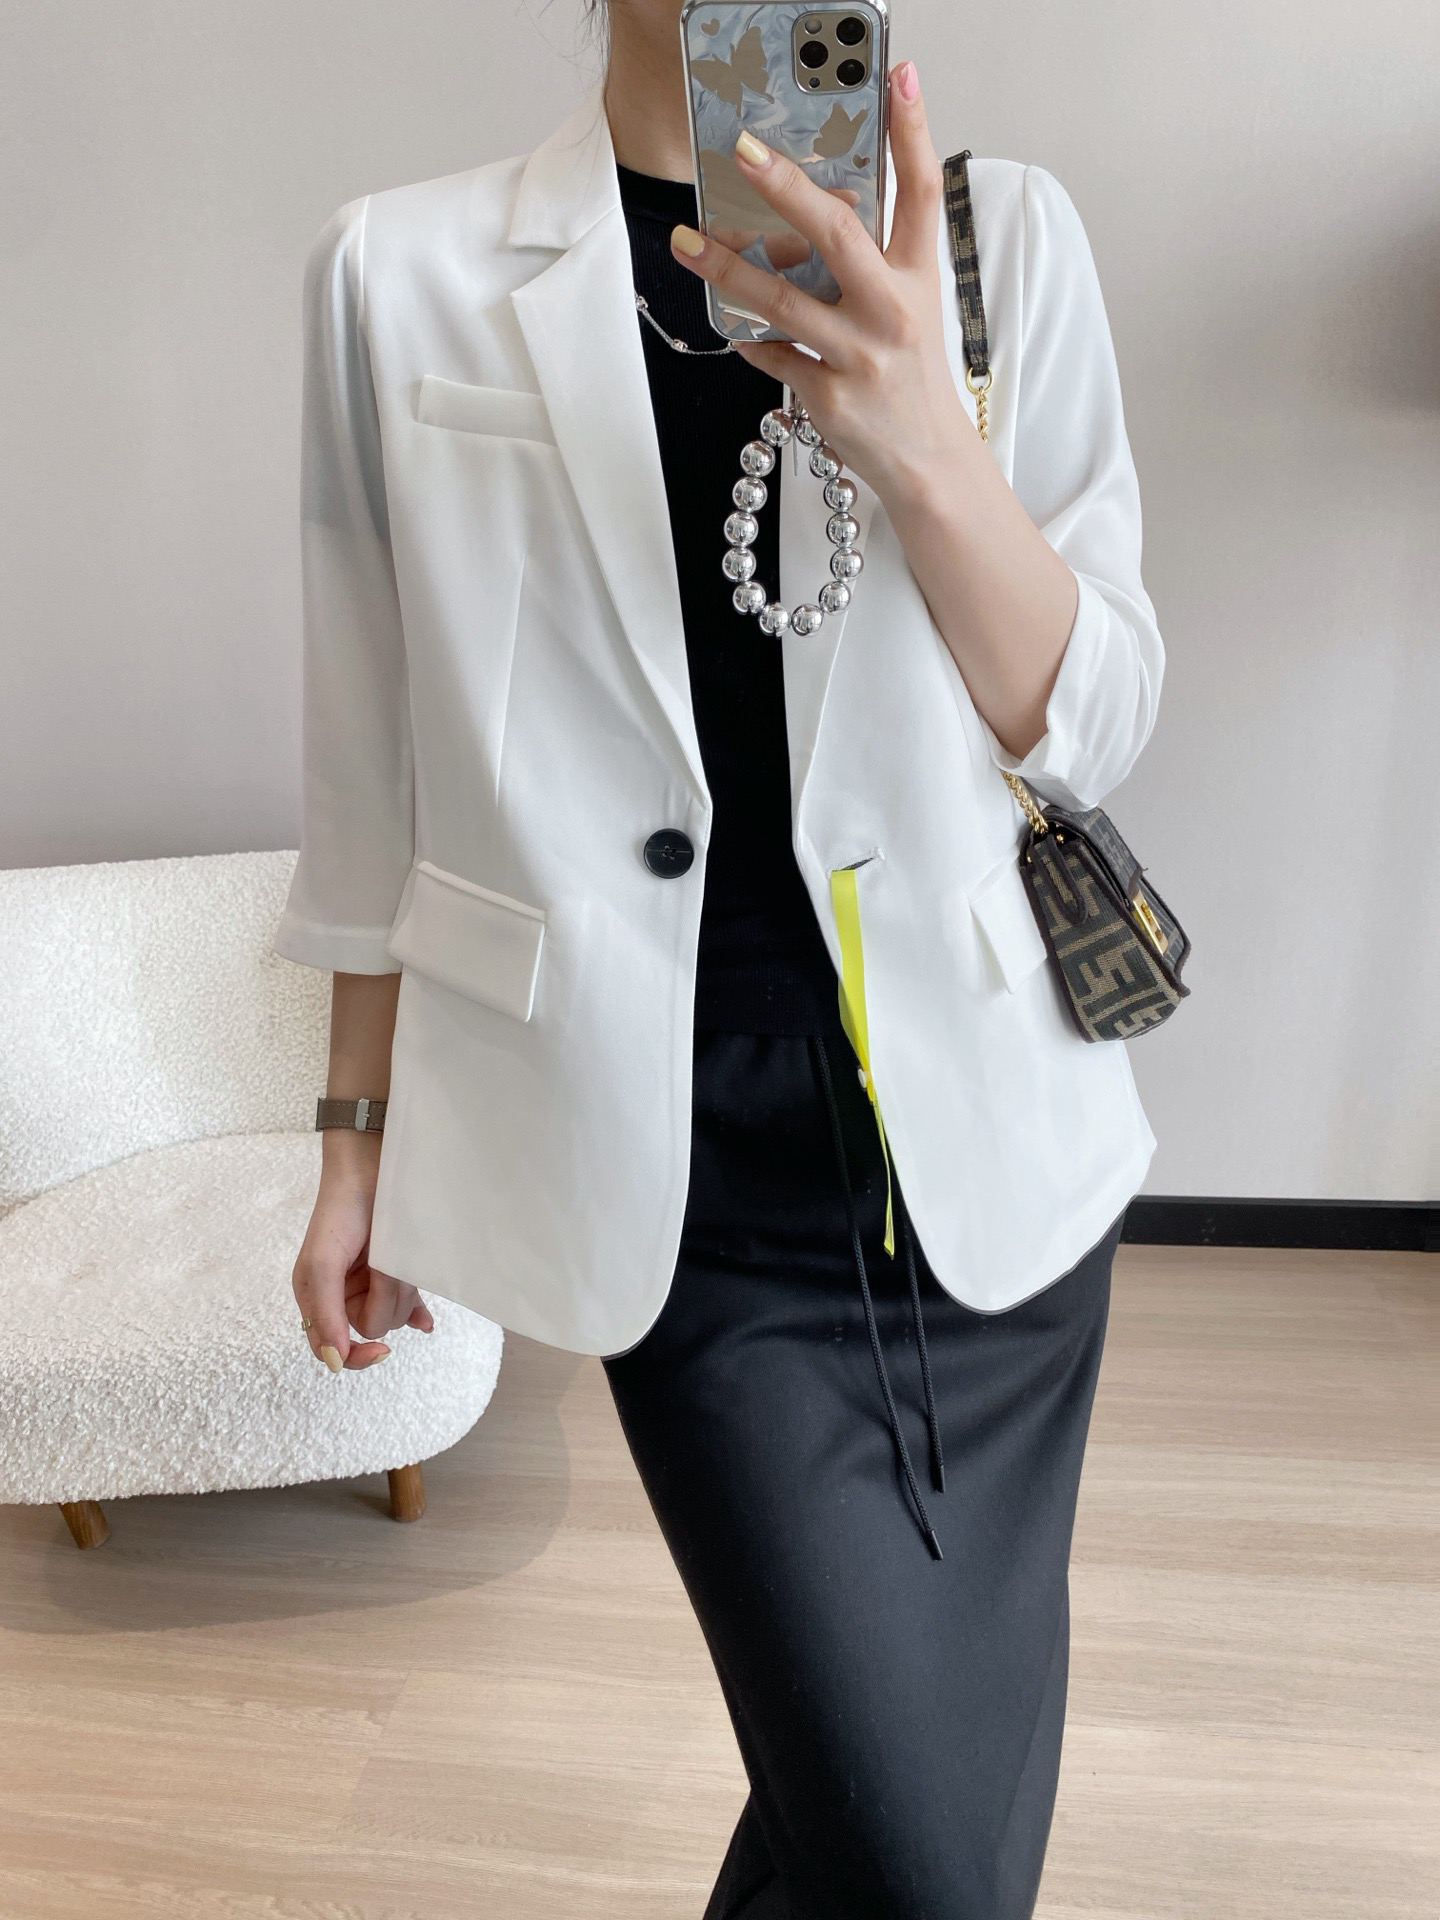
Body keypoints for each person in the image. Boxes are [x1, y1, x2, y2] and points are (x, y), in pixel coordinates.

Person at [275, 2, 1165, 1913]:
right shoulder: (399, 273)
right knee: (918, 1860)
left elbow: (1092, 722)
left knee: (891, 1824)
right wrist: (353, 1130)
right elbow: (374, 769)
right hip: (682, 1177)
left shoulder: (1000, 239)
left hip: (991, 1146)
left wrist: (927, 443)